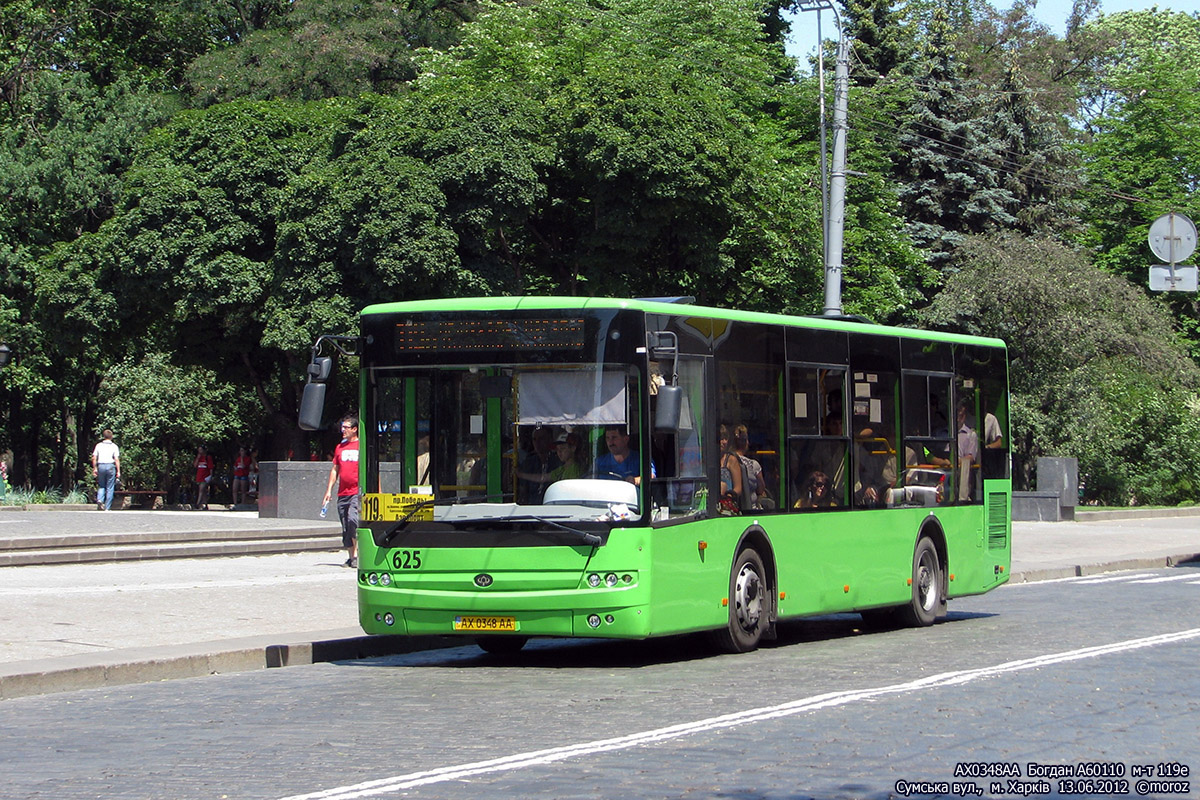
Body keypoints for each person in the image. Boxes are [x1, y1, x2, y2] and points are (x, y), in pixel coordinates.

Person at [323, 415, 361, 568]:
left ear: (354, 429)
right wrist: (328, 491)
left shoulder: (361, 446)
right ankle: (351, 557)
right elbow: (335, 469)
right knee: (345, 525)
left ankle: (357, 555)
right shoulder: (340, 447)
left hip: (357, 491)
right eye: (342, 427)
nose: (343, 430)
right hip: (342, 493)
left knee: (353, 520)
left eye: (346, 427)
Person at [517, 426, 561, 503]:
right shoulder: (528, 462)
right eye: (534, 439)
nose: (537, 442)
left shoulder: (558, 461)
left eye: (541, 439)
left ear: (550, 440)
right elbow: (523, 490)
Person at [734, 425, 769, 510]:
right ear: (747, 442)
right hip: (751, 510)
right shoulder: (753, 465)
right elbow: (761, 489)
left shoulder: (725, 461)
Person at [91, 429, 121, 511]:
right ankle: (107, 507)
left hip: (101, 465)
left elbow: (94, 457)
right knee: (110, 487)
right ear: (111, 436)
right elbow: (116, 459)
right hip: (110, 466)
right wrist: (118, 471)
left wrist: (95, 468)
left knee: (101, 485)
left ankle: (100, 499)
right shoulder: (114, 446)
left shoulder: (99, 445)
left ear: (103, 436)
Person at [718, 424, 744, 514]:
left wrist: (728, 496)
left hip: (728, 507)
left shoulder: (731, 460)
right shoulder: (706, 461)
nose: (724, 442)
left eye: (726, 439)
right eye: (721, 439)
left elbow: (738, 488)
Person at [193, 446, 215, 510]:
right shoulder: (199, 458)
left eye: (201, 450)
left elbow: (211, 467)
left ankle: (198, 503)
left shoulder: (208, 457)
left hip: (205, 476)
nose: (199, 451)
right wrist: (198, 458)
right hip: (199, 476)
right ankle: (205, 504)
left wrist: (210, 476)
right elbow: (195, 465)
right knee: (203, 491)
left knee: (201, 489)